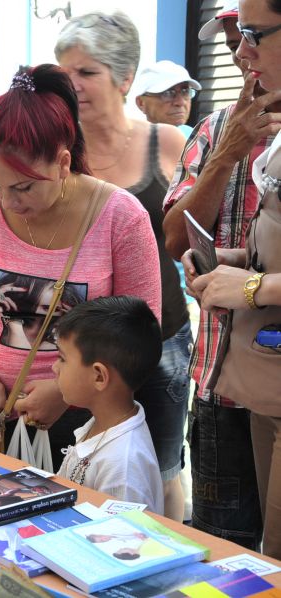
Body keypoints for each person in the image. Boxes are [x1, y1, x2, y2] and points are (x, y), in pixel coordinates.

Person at [0, 64, 161, 470]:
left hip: (85, 418)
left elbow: (142, 330)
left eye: (23, 187)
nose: (8, 202)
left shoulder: (120, 216)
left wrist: (63, 392)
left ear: (62, 163)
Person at [56, 10, 191, 521]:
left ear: (125, 77)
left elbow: (196, 236)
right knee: (91, 468)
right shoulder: (60, 151)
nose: (73, 85)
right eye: (64, 72)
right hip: (83, 340)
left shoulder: (167, 142)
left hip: (160, 334)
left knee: (162, 468)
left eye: (86, 72)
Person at [162, 0, 271, 550]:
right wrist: (228, 152)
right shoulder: (214, 129)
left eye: (251, 34)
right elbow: (175, 238)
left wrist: (251, 283)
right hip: (219, 380)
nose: (239, 51)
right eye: (231, 37)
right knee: (221, 550)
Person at [53, 296, 164, 514]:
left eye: (63, 359)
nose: (55, 368)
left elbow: (123, 541)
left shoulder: (123, 467)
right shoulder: (102, 423)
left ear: (99, 377)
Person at [133, 60, 201, 138]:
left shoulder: (194, 138)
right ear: (141, 103)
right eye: (168, 93)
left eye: (185, 91)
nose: (180, 102)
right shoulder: (132, 144)